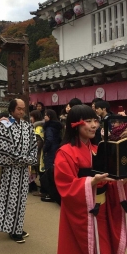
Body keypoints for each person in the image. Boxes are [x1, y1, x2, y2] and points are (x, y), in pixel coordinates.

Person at [54, 104, 127, 254]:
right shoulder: (65, 153)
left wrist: (121, 181)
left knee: (104, 248)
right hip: (83, 212)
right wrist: (92, 181)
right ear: (74, 124)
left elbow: (109, 181)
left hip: (103, 210)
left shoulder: (97, 149)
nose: (94, 125)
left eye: (95, 120)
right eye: (88, 121)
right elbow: (66, 186)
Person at [0, 98, 38, 243]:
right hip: (11, 169)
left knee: (22, 200)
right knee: (11, 199)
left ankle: (17, 228)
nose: (22, 111)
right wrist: (25, 159)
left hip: (23, 169)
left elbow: (33, 145)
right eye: (19, 108)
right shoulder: (4, 125)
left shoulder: (27, 126)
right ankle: (12, 230)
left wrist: (30, 159)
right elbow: (5, 149)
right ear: (11, 110)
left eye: (23, 109)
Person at [40, 109, 62, 202]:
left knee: (49, 172)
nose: (44, 117)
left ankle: (50, 194)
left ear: (50, 116)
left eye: (46, 115)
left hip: (50, 151)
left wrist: (44, 149)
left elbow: (49, 140)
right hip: (57, 149)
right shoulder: (58, 126)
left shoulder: (49, 127)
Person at [29, 110, 44, 194]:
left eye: (32, 116)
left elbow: (39, 142)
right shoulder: (36, 126)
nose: (30, 118)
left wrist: (32, 149)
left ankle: (42, 190)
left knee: (39, 171)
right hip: (36, 153)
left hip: (38, 154)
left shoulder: (38, 128)